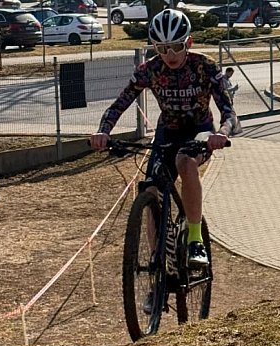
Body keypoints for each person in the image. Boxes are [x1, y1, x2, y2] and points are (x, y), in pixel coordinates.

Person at [90, 9, 234, 267]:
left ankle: (194, 239)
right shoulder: (150, 70)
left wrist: (221, 134)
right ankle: (158, 262)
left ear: (188, 43)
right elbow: (119, 104)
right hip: (167, 132)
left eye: (176, 47)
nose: (170, 55)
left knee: (185, 162)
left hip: (199, 131)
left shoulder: (205, 66)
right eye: (162, 48)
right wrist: (104, 131)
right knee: (151, 188)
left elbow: (229, 112)